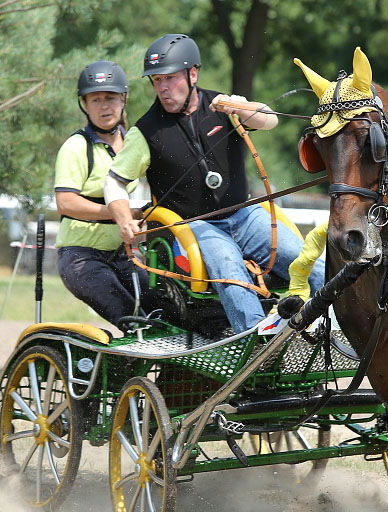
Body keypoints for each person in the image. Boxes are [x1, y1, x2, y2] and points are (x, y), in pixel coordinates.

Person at [104, 33, 324, 333]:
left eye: (170, 78)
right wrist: (122, 218)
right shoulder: (144, 131)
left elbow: (269, 120)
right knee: (228, 266)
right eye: (157, 81)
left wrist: (241, 108)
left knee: (304, 258)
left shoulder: (224, 104)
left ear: (192, 73)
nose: (164, 88)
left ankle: (344, 325)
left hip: (245, 214)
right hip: (193, 226)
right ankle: (257, 344)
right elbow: (115, 183)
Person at [54, 60, 168, 330]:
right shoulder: (76, 147)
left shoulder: (134, 143)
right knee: (133, 321)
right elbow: (65, 202)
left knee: (167, 311)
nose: (104, 106)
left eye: (110, 98)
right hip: (81, 258)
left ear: (123, 99)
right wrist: (119, 213)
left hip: (121, 255)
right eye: (95, 100)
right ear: (84, 104)